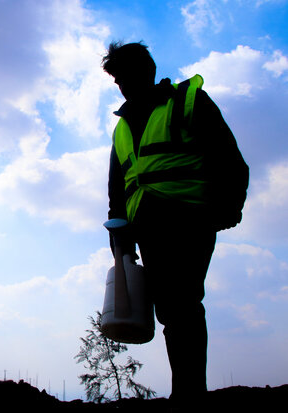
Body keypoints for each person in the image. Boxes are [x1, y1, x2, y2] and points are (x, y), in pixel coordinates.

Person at [102, 42, 248, 404]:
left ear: (146, 71)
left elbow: (227, 156)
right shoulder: (122, 127)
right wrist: (119, 234)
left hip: (187, 217)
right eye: (117, 79)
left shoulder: (187, 102)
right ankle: (186, 390)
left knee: (181, 302)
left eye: (125, 76)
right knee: (170, 306)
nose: (121, 85)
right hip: (147, 226)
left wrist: (228, 207)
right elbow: (118, 185)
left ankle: (189, 393)